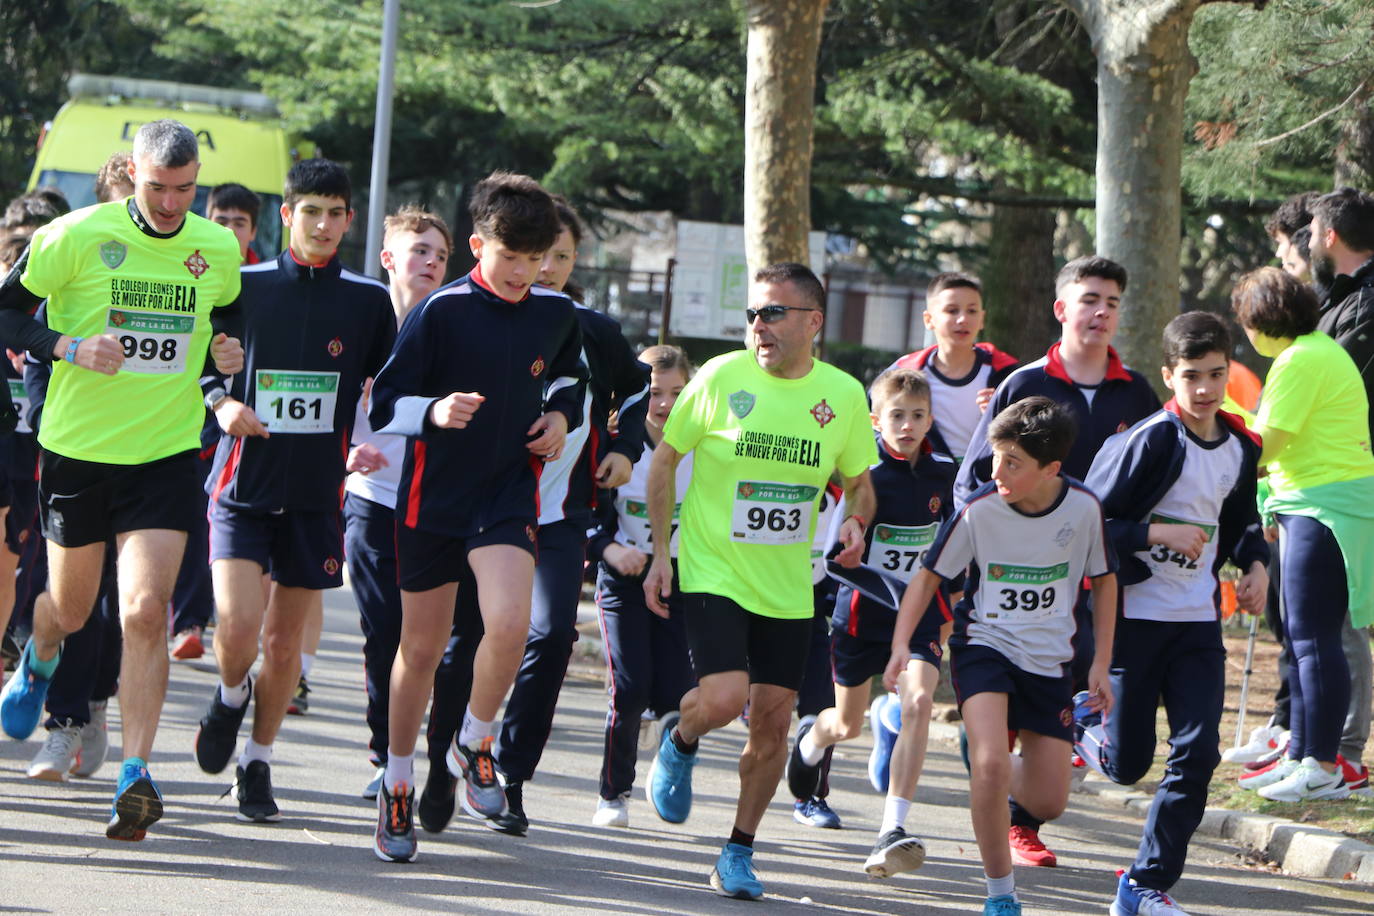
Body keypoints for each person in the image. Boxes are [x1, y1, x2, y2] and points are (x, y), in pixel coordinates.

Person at [0, 119, 244, 841]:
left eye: (185, 190)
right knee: (70, 610)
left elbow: (225, 318)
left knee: (144, 611)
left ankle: (136, 774)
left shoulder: (217, 247)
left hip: (164, 453)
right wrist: (68, 344)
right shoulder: (74, 236)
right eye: (158, 189)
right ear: (132, 174)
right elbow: (7, 314)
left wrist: (224, 355)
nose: (172, 205)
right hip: (78, 450)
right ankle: (39, 656)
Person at [367, 171, 586, 863]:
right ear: (477, 245)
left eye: (536, 259)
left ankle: (477, 739)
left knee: (513, 623)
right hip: (433, 497)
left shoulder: (555, 314)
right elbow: (384, 404)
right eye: (510, 257)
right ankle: (397, 782)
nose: (524, 272)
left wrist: (558, 416)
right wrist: (431, 412)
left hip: (505, 494)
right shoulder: (441, 311)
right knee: (422, 651)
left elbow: (571, 379)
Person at [642, 262, 876, 900]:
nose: (758, 325)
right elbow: (665, 462)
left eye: (773, 313)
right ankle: (681, 734)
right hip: (714, 567)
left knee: (773, 723)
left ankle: (737, 850)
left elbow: (860, 484)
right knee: (721, 699)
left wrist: (856, 521)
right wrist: (663, 555)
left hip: (789, 584)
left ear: (813, 322)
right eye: (752, 313)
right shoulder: (720, 376)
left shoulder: (844, 396)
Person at [422, 196, 649, 835]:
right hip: (482, 504)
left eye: (557, 257)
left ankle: (508, 770)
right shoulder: (479, 317)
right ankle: (444, 760)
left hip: (558, 514)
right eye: (530, 256)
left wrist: (628, 448)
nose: (541, 268)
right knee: (466, 640)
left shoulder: (589, 327)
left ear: (573, 262)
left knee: (546, 635)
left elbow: (636, 388)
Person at [191, 158, 395, 823]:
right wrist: (221, 403)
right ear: (287, 216)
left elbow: (386, 393)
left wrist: (369, 442)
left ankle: (258, 760)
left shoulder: (366, 301)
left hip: (315, 496)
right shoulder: (243, 285)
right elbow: (200, 359)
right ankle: (228, 696)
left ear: (349, 220)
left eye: (337, 213)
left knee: (283, 647)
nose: (325, 225)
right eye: (312, 211)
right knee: (239, 629)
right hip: (242, 487)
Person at [955, 255, 1158, 868]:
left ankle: (1023, 804)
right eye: (1090, 298)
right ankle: (1012, 816)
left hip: (1091, 585)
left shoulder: (1138, 393)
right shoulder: (1022, 384)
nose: (1101, 312)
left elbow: (1154, 487)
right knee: (1004, 720)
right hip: (1015, 586)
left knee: (1072, 725)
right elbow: (973, 483)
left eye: (1112, 303)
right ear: (1062, 308)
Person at [889, 396, 1117, 916]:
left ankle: (998, 771)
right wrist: (902, 645)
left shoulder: (1084, 510)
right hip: (984, 646)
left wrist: (1101, 661)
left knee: (1049, 799)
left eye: (1012, 463)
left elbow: (1104, 583)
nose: (997, 472)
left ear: (1051, 469)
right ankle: (1000, 894)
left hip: (1051, 661)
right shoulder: (980, 509)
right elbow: (927, 578)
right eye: (995, 457)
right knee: (989, 763)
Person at [1080, 311, 1269, 916]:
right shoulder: (1150, 440)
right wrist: (1154, 533)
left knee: (1197, 751)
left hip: (1196, 623)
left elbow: (1240, 519)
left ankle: (1144, 883)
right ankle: (1086, 733)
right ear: (1169, 376)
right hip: (1133, 619)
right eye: (1193, 376)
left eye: (1217, 374)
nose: (1207, 389)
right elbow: (1090, 524)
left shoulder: (1240, 444)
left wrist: (1255, 564)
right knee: (1129, 764)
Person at [785, 367, 956, 879]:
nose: (908, 425)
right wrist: (854, 545)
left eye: (918, 416)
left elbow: (950, 550)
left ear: (930, 421)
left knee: (920, 702)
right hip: (861, 618)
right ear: (875, 419)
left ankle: (892, 828)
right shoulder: (860, 477)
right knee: (846, 724)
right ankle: (812, 740)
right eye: (897, 416)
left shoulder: (944, 473)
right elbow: (833, 559)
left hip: (919, 616)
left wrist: (944, 615)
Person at [1231, 267, 1374, 802]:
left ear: (1260, 322)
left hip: (1327, 505)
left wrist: (1217, 424)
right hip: (1311, 502)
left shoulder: (1300, 359)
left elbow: (1266, 446)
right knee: (1302, 639)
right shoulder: (1309, 353)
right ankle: (1300, 755)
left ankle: (1323, 763)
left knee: (1315, 640)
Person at [343, 204, 452, 799]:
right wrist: (345, 456)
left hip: (436, 503)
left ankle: (436, 750)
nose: (431, 261)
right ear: (389, 258)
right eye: (419, 251)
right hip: (371, 497)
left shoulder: (454, 322)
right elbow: (329, 397)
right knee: (385, 630)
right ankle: (387, 757)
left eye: (440, 253)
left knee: (435, 640)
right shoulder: (362, 319)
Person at [585, 343, 696, 828]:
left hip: (682, 580)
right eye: (654, 392)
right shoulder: (614, 444)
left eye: (678, 392)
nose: (666, 403)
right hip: (624, 579)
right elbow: (584, 514)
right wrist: (609, 549)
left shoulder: (706, 448)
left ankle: (669, 761)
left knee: (678, 698)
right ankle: (614, 795)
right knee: (629, 690)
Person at [1304, 187, 1374, 789]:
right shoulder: (1344, 299)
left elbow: (1337, 388)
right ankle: (1321, 751)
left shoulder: (1365, 304)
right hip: (1340, 478)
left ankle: (1341, 755)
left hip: (1352, 480)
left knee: (1345, 618)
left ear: (1328, 235)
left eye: (1309, 234)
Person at [888, 272, 1017, 460]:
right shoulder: (902, 374)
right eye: (952, 310)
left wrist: (1000, 415)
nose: (962, 319)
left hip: (987, 483)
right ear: (928, 319)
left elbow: (1027, 436)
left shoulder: (1007, 375)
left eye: (971, 311)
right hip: (923, 483)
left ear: (982, 319)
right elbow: (876, 429)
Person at [206, 183, 261, 265]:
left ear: (253, 232)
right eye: (221, 223)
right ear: (206, 227)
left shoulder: (265, 276)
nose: (230, 230)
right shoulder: (187, 272)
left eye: (239, 224)